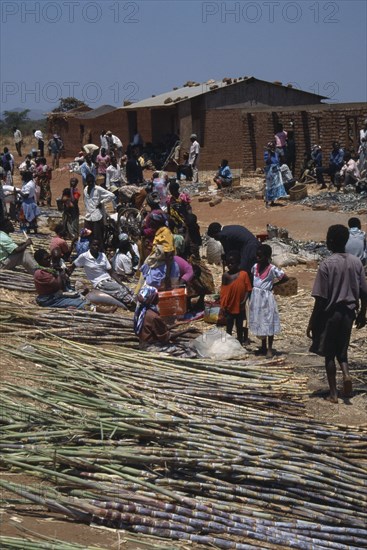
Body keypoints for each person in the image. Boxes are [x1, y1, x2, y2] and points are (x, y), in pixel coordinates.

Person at [307, 225, 367, 403]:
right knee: (343, 350)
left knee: (329, 354)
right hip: (349, 313)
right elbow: (364, 293)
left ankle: (333, 393)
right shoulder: (356, 262)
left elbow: (320, 299)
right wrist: (363, 314)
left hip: (331, 314)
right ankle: (347, 375)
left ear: (330, 241)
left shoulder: (326, 265)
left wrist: (312, 322)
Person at [70, 239, 135, 310]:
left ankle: (133, 302)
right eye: (94, 245)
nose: (96, 247)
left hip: (108, 280)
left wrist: (122, 284)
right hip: (99, 283)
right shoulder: (84, 257)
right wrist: (66, 279)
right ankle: (133, 304)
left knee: (127, 289)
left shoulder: (102, 256)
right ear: (89, 246)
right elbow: (73, 266)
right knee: (121, 290)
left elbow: (111, 272)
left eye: (98, 245)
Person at [249, 244, 288, 358]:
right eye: (257, 256)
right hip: (256, 297)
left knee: (268, 321)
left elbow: (285, 277)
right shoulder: (255, 267)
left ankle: (270, 348)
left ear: (267, 257)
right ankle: (263, 346)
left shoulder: (272, 269)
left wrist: (274, 284)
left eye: (260, 256)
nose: (257, 258)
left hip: (266, 298)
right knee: (260, 321)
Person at [133, 285, 196, 356]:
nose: (158, 298)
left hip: (142, 344)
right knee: (188, 352)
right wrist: (187, 330)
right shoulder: (154, 316)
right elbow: (166, 337)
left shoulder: (141, 312)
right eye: (156, 296)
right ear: (152, 298)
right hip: (152, 348)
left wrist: (177, 324)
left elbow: (160, 328)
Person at [140, 211, 178, 290]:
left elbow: (169, 255)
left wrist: (167, 276)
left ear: (156, 222)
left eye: (151, 222)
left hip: (163, 268)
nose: (149, 224)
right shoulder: (159, 232)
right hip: (159, 267)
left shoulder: (165, 233)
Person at [220, 250, 252, 344]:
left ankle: (240, 340)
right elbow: (224, 291)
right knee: (229, 325)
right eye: (228, 263)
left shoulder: (244, 274)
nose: (230, 265)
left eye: (232, 263)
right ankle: (229, 342)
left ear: (238, 263)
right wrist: (223, 305)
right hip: (230, 305)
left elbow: (248, 289)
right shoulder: (226, 276)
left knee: (240, 325)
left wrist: (244, 300)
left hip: (240, 305)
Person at [83, 173, 115, 243]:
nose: (90, 183)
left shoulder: (98, 189)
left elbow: (111, 195)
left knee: (97, 237)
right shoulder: (85, 190)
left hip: (97, 217)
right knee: (87, 235)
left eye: (92, 182)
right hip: (88, 216)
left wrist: (102, 202)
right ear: (86, 182)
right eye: (89, 182)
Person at [264, 141, 288, 207]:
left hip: (276, 172)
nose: (272, 149)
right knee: (269, 186)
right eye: (271, 148)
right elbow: (267, 162)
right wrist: (269, 153)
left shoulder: (276, 154)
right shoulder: (266, 154)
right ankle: (267, 202)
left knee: (275, 186)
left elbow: (278, 161)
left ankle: (273, 201)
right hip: (270, 172)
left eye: (273, 148)